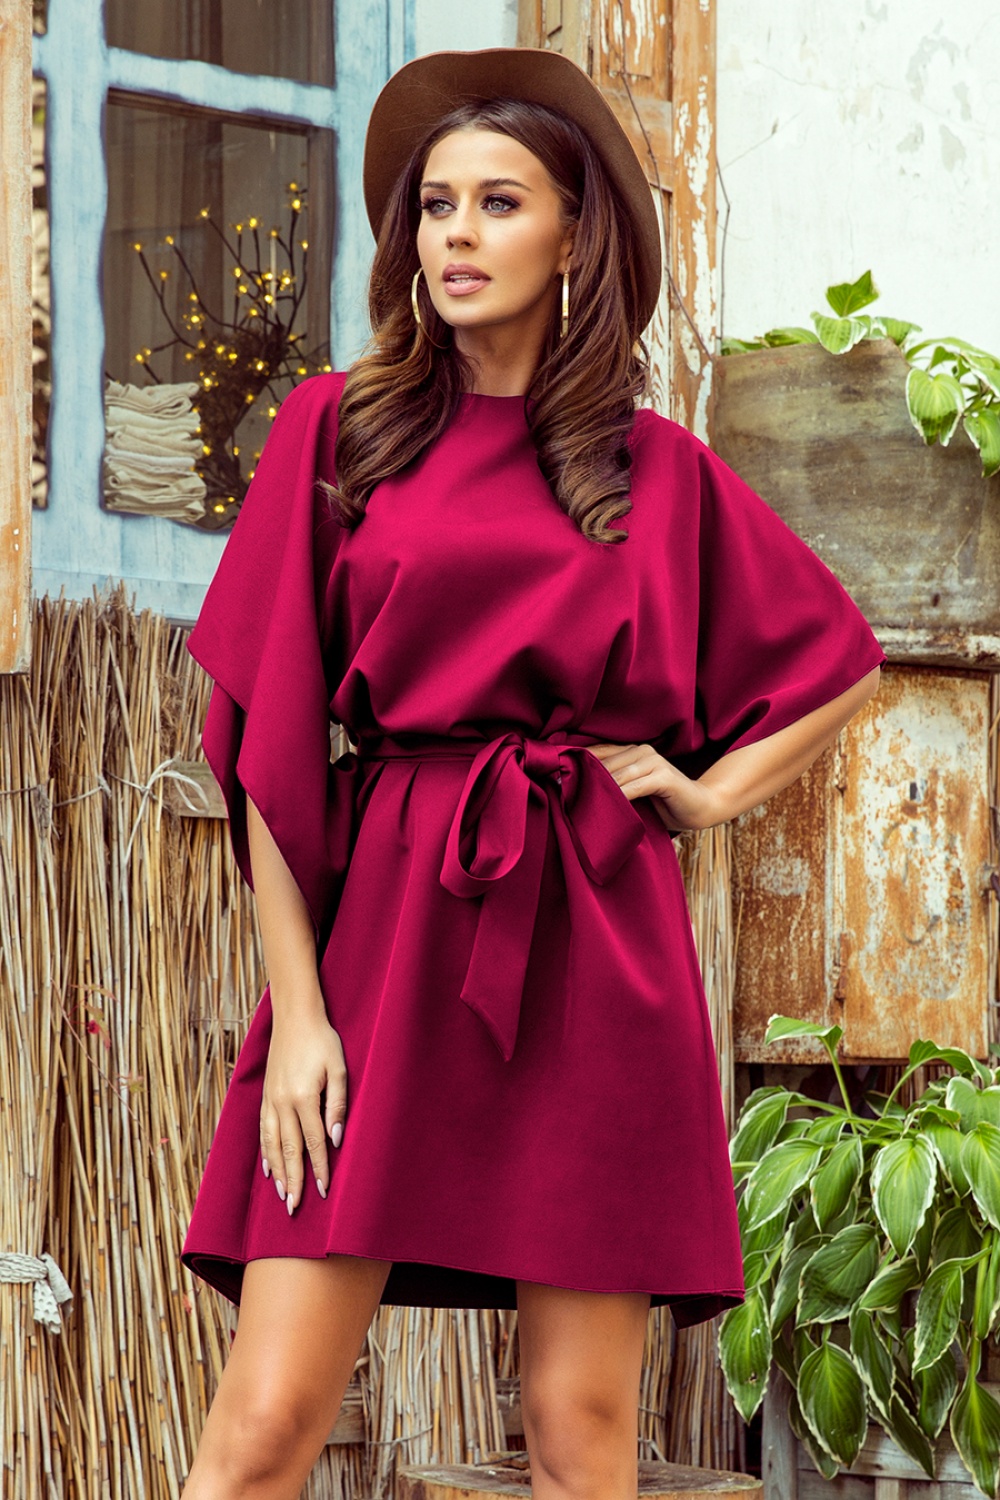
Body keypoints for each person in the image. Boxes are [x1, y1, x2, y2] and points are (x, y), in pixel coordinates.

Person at [178, 46, 884, 1500]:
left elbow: (838, 663)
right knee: (263, 1426)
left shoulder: (655, 470)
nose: (456, 233)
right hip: (385, 938)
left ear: (575, 237)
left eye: (498, 202)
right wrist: (299, 1018)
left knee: (580, 1435)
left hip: (594, 949)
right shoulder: (341, 433)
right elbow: (266, 749)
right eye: (436, 205)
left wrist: (704, 793)